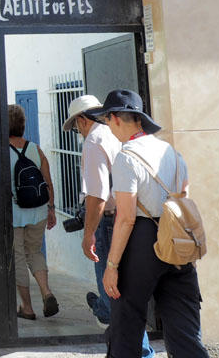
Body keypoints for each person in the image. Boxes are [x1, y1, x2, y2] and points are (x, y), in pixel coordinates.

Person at [88, 89, 209, 358]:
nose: (108, 127)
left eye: (107, 121)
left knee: (127, 324)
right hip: (177, 239)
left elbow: (126, 218)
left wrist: (111, 265)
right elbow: (183, 199)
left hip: (143, 240)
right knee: (185, 331)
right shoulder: (173, 153)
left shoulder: (127, 157)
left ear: (116, 118)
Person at [64, 95, 155, 357]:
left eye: (76, 127)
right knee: (122, 293)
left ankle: (140, 350)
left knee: (115, 294)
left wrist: (88, 233)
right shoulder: (117, 135)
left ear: (82, 121)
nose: (78, 132)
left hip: (109, 223)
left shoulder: (93, 141)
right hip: (135, 219)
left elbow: (97, 196)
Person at [8, 104, 59, 320]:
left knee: (18, 257)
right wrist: (51, 209)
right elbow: (47, 182)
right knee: (35, 252)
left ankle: (27, 308)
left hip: (14, 213)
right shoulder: (35, 149)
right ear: (23, 125)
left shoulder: (0, 151)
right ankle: (46, 292)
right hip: (38, 211)